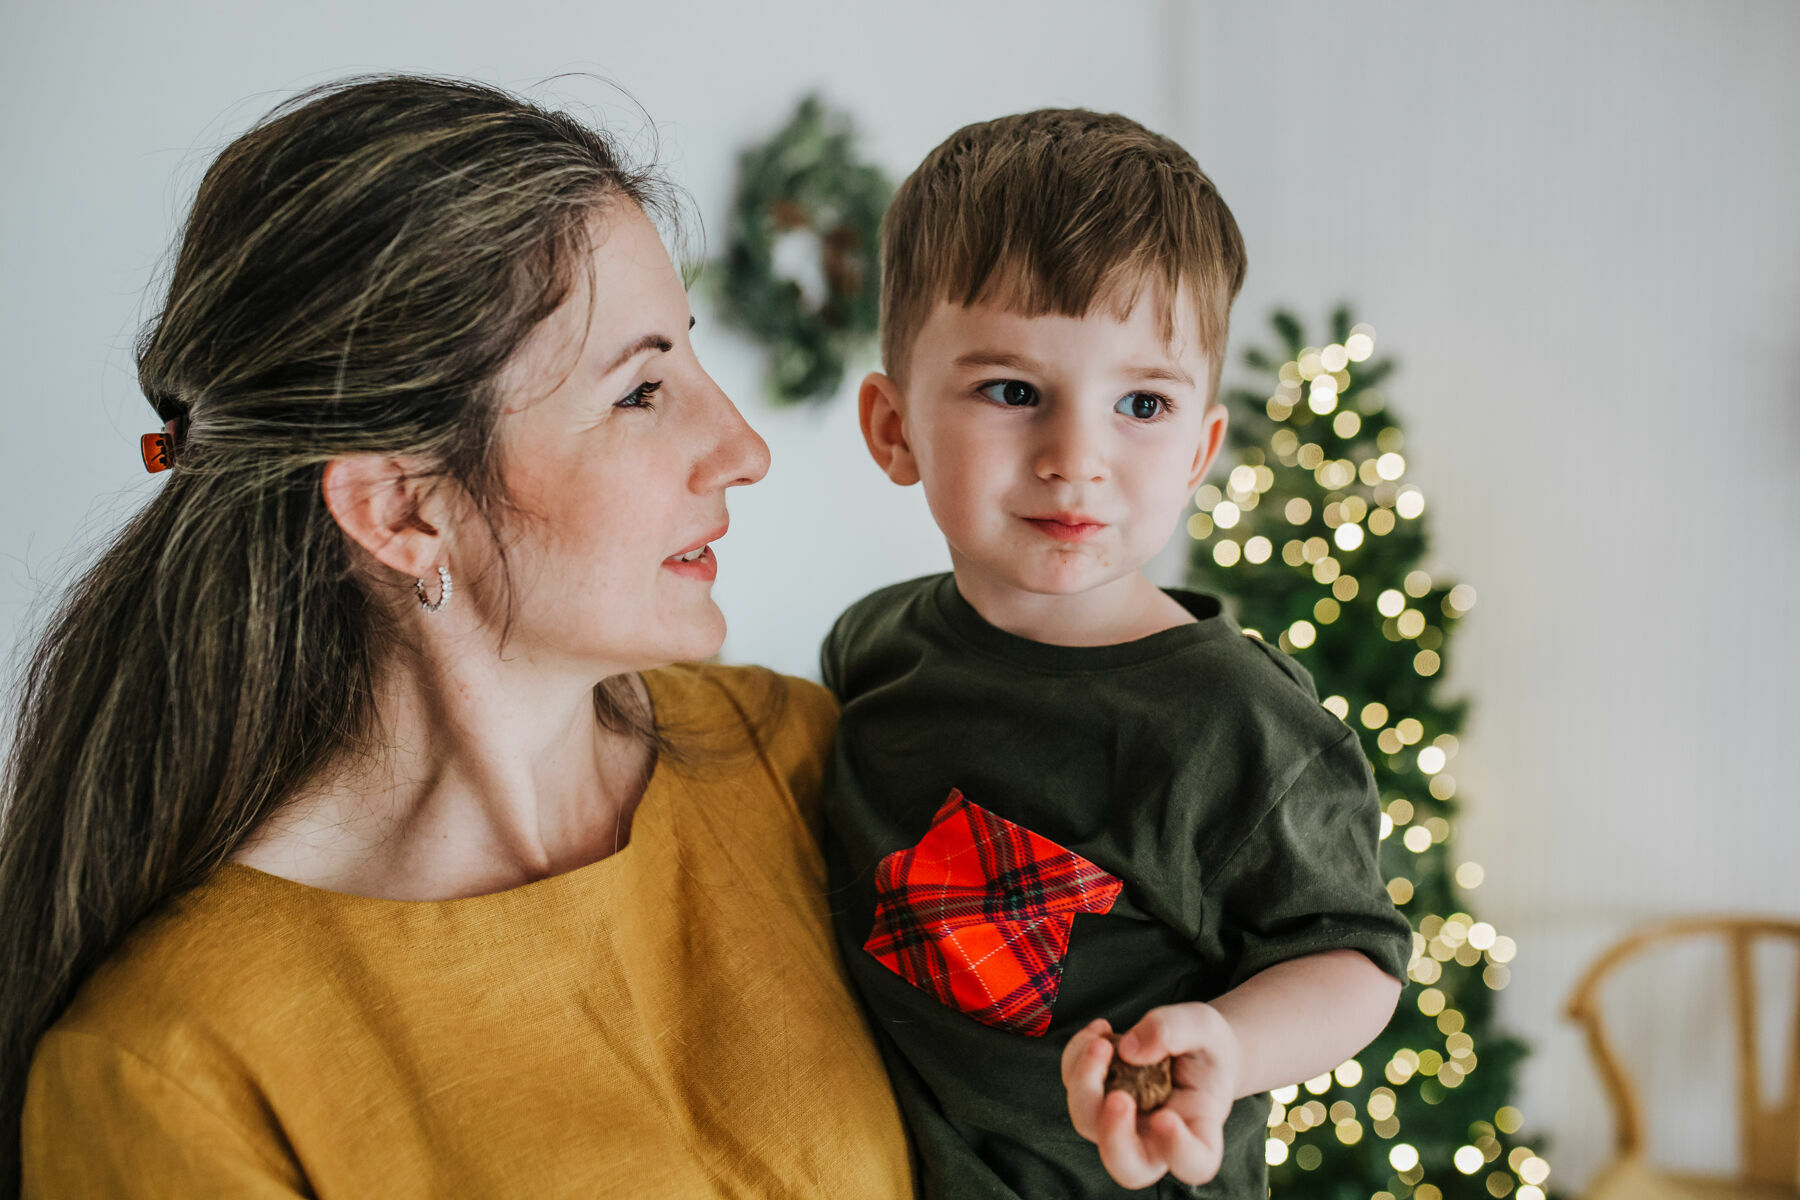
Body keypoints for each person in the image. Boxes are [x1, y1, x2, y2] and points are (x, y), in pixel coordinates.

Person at [0, 76, 912, 1198]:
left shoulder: (795, 758)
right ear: (403, 510)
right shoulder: (169, 1070)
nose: (740, 445)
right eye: (639, 392)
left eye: (690, 355)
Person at [820, 108, 1414, 1198]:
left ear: (1199, 450)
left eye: (1140, 403)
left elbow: (1354, 959)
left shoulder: (1238, 724)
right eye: (1013, 391)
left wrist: (1230, 1043)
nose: (1076, 459)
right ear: (893, 427)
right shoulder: (873, 646)